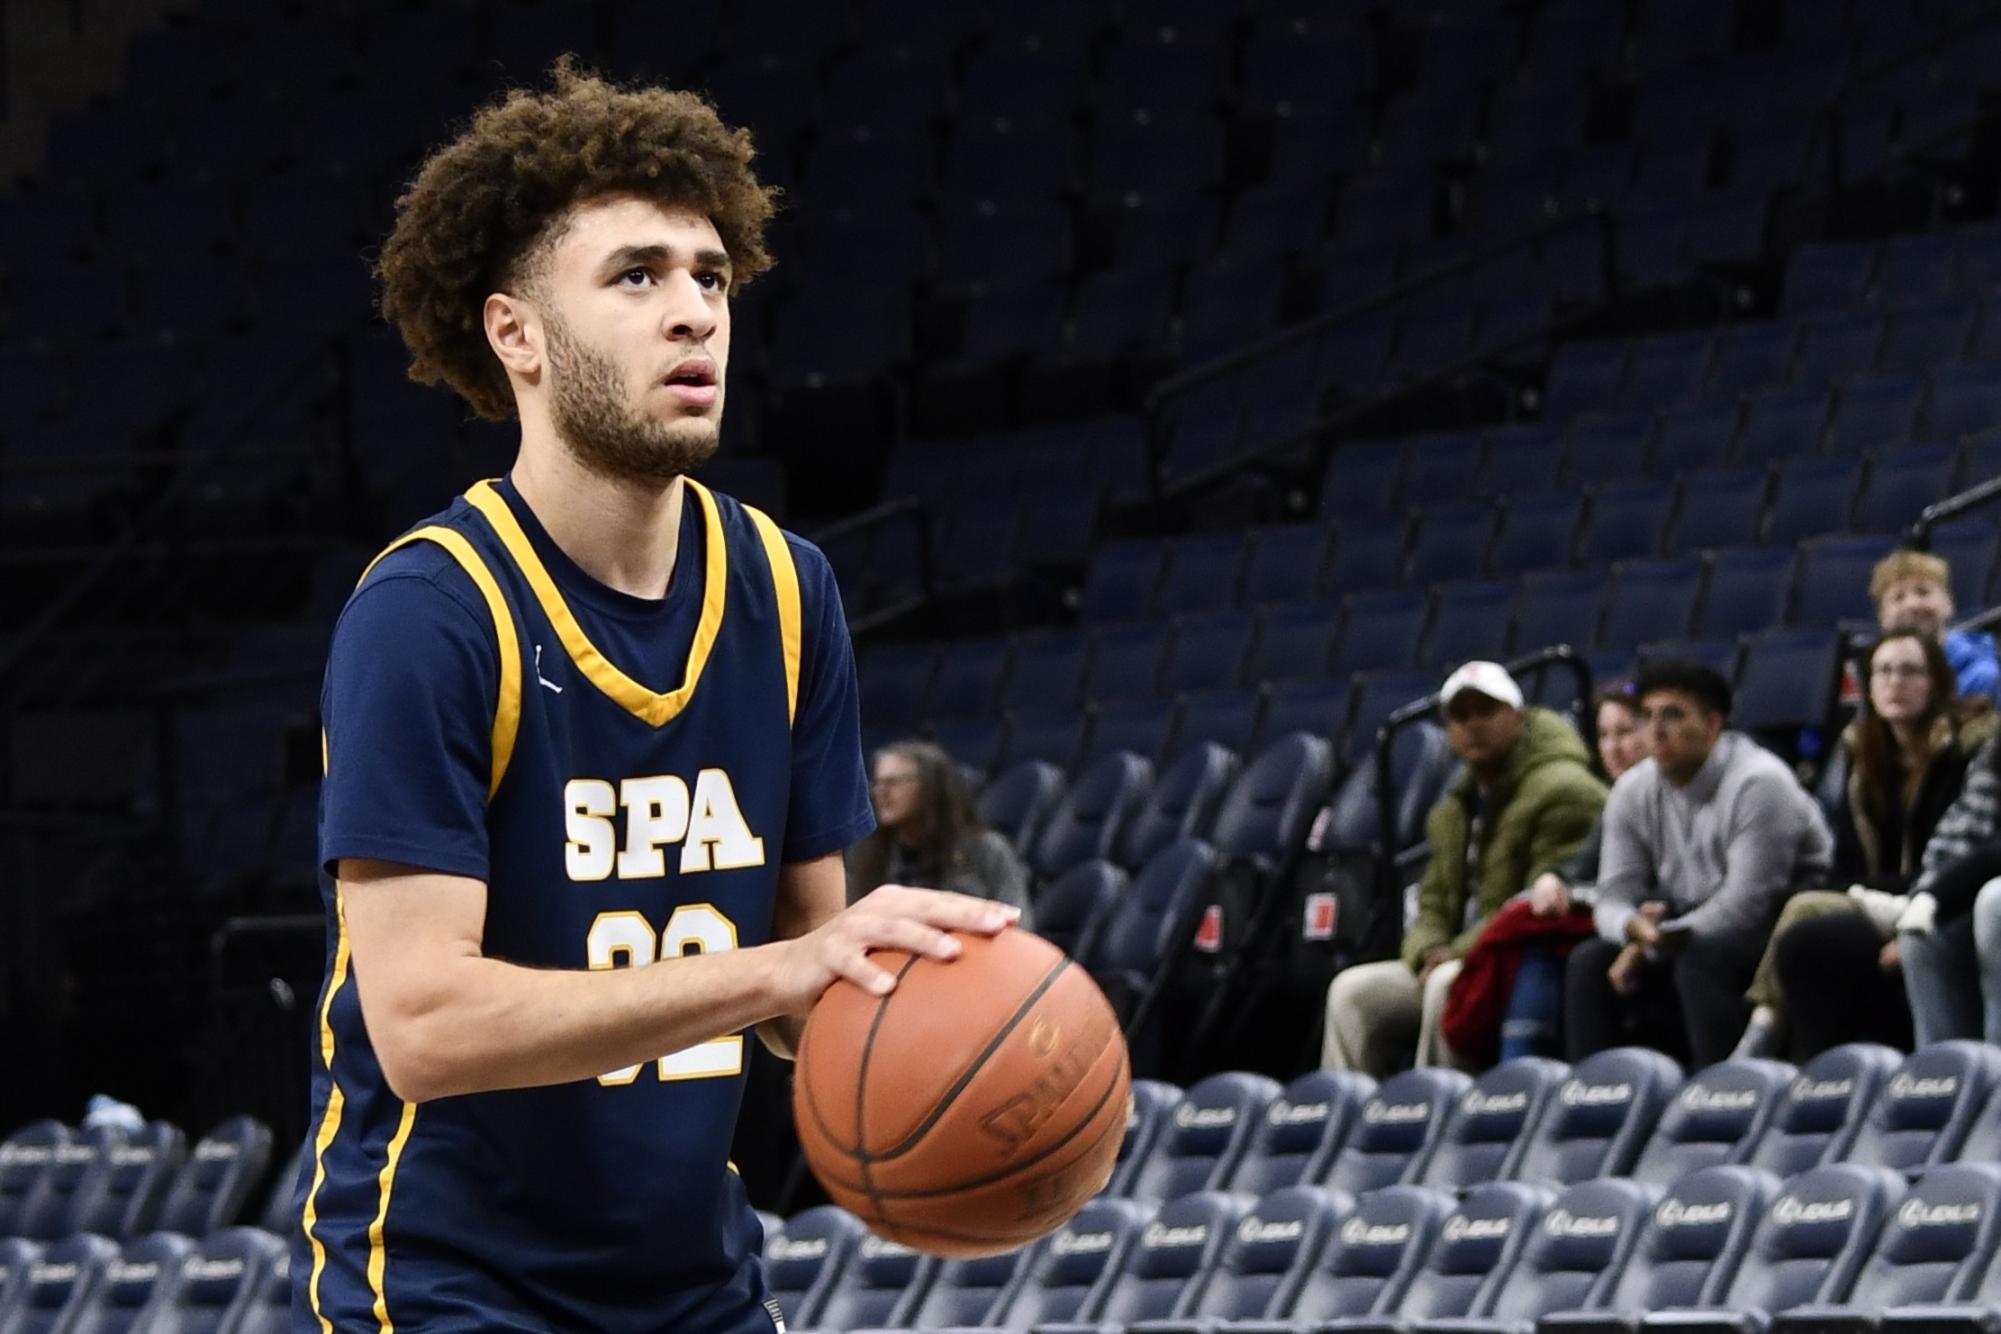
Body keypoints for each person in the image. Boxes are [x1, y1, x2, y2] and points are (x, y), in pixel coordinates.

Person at [293, 62, 1018, 1333]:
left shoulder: (790, 593)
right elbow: (423, 1025)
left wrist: (952, 1033)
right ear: (515, 331)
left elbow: (803, 996)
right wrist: (781, 975)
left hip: (697, 1281)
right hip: (453, 1287)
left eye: (710, 276)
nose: (693, 313)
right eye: (636, 276)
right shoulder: (430, 613)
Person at [1322, 661, 1604, 1076]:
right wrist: (1425, 951)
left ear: (1517, 717)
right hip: (1454, 956)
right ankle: (1347, 1118)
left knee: (1446, 984)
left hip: (1517, 957)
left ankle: (1438, 1113)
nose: (1473, 726)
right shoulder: (1454, 804)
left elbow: (1535, 907)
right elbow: (1431, 899)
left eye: (1486, 712)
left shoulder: (1565, 789)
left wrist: (1453, 954)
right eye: (1460, 716)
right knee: (1352, 991)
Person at [1738, 631, 1995, 1060]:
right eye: (1884, 671)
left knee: (1806, 924)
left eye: (1911, 671)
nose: (1895, 682)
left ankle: (1767, 1038)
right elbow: (1848, 861)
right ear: (1869, 684)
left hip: (1939, 894)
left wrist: (1914, 902)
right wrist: (1860, 892)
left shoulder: (1964, 752)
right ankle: (1816, 1069)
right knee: (1796, 915)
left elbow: (1962, 854)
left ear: (1937, 682)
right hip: (1891, 895)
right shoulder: (1862, 757)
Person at [1564, 660, 1834, 1068]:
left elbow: (1746, 907)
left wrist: (1652, 944)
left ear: (1712, 724)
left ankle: (1723, 1096)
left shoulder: (1759, 782)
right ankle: (1596, 1099)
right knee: (1589, 961)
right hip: (1687, 922)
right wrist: (1632, 929)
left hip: (1783, 922)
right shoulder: (1633, 789)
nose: (1656, 730)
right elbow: (1613, 896)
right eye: (1647, 716)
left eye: (1672, 715)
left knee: (1701, 958)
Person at [847, 741, 1032, 925]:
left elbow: (1020, 926)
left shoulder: (988, 850)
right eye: (877, 783)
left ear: (930, 787)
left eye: (893, 782)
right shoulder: (868, 855)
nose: (881, 792)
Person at [1893, 734, 2001, 1044]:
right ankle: (1944, 1078)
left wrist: (1935, 895)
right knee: (1923, 937)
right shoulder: (1994, 750)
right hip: (1977, 880)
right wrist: (1924, 898)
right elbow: (1959, 843)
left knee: (1996, 902)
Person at [1872, 548, 1998, 699]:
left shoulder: (1983, 676)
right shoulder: (1871, 676)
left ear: (1948, 602)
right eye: (1899, 597)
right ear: (1882, 616)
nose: (1913, 604)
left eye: (1923, 592)